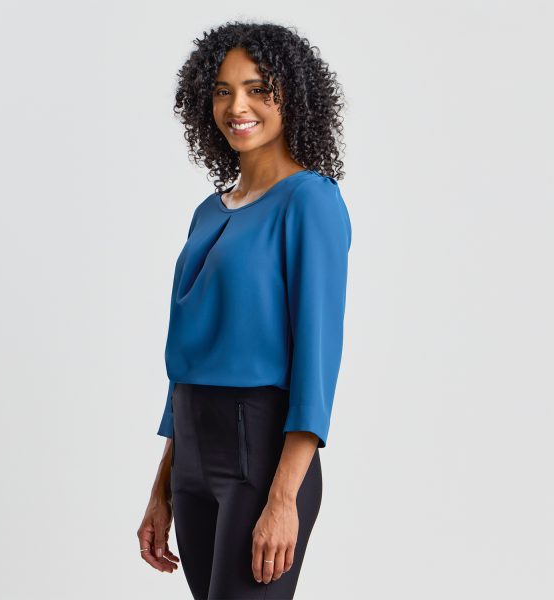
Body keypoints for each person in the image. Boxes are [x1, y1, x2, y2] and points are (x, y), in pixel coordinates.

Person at [137, 21, 351, 599]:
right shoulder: (209, 211)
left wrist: (283, 499)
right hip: (190, 448)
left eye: (259, 88)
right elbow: (190, 355)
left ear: (293, 94)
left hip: (260, 450)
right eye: (223, 90)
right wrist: (163, 488)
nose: (239, 106)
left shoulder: (310, 201)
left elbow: (316, 361)